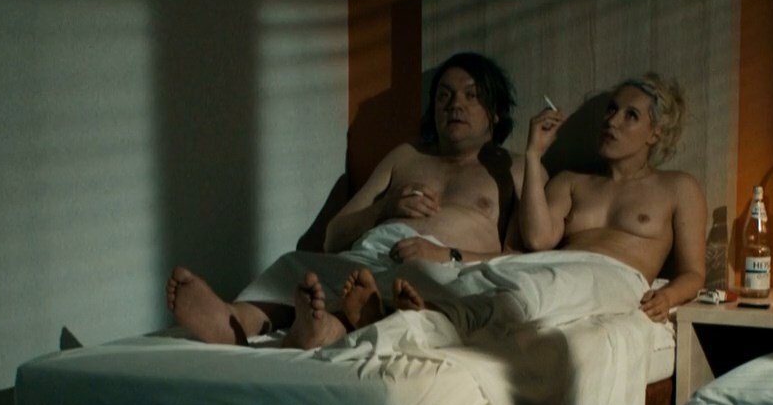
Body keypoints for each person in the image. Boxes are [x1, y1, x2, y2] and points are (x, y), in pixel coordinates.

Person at [294, 72, 706, 349]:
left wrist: (668, 296)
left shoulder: (677, 187)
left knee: (524, 296)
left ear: (656, 133)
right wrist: (533, 153)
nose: (612, 121)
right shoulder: (572, 182)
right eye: (612, 110)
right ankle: (381, 318)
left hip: (614, 277)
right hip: (551, 265)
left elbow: (694, 273)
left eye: (630, 115)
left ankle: (408, 318)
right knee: (479, 280)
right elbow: (539, 241)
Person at [165, 52, 527, 346]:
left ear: (496, 112)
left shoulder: (513, 168)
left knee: (393, 286)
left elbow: (521, 255)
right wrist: (384, 208)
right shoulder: (406, 156)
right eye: (444, 96)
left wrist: (447, 254)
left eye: (471, 95)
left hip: (437, 268)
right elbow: (334, 235)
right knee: (296, 265)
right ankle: (233, 321)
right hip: (364, 257)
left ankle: (327, 326)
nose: (455, 105)